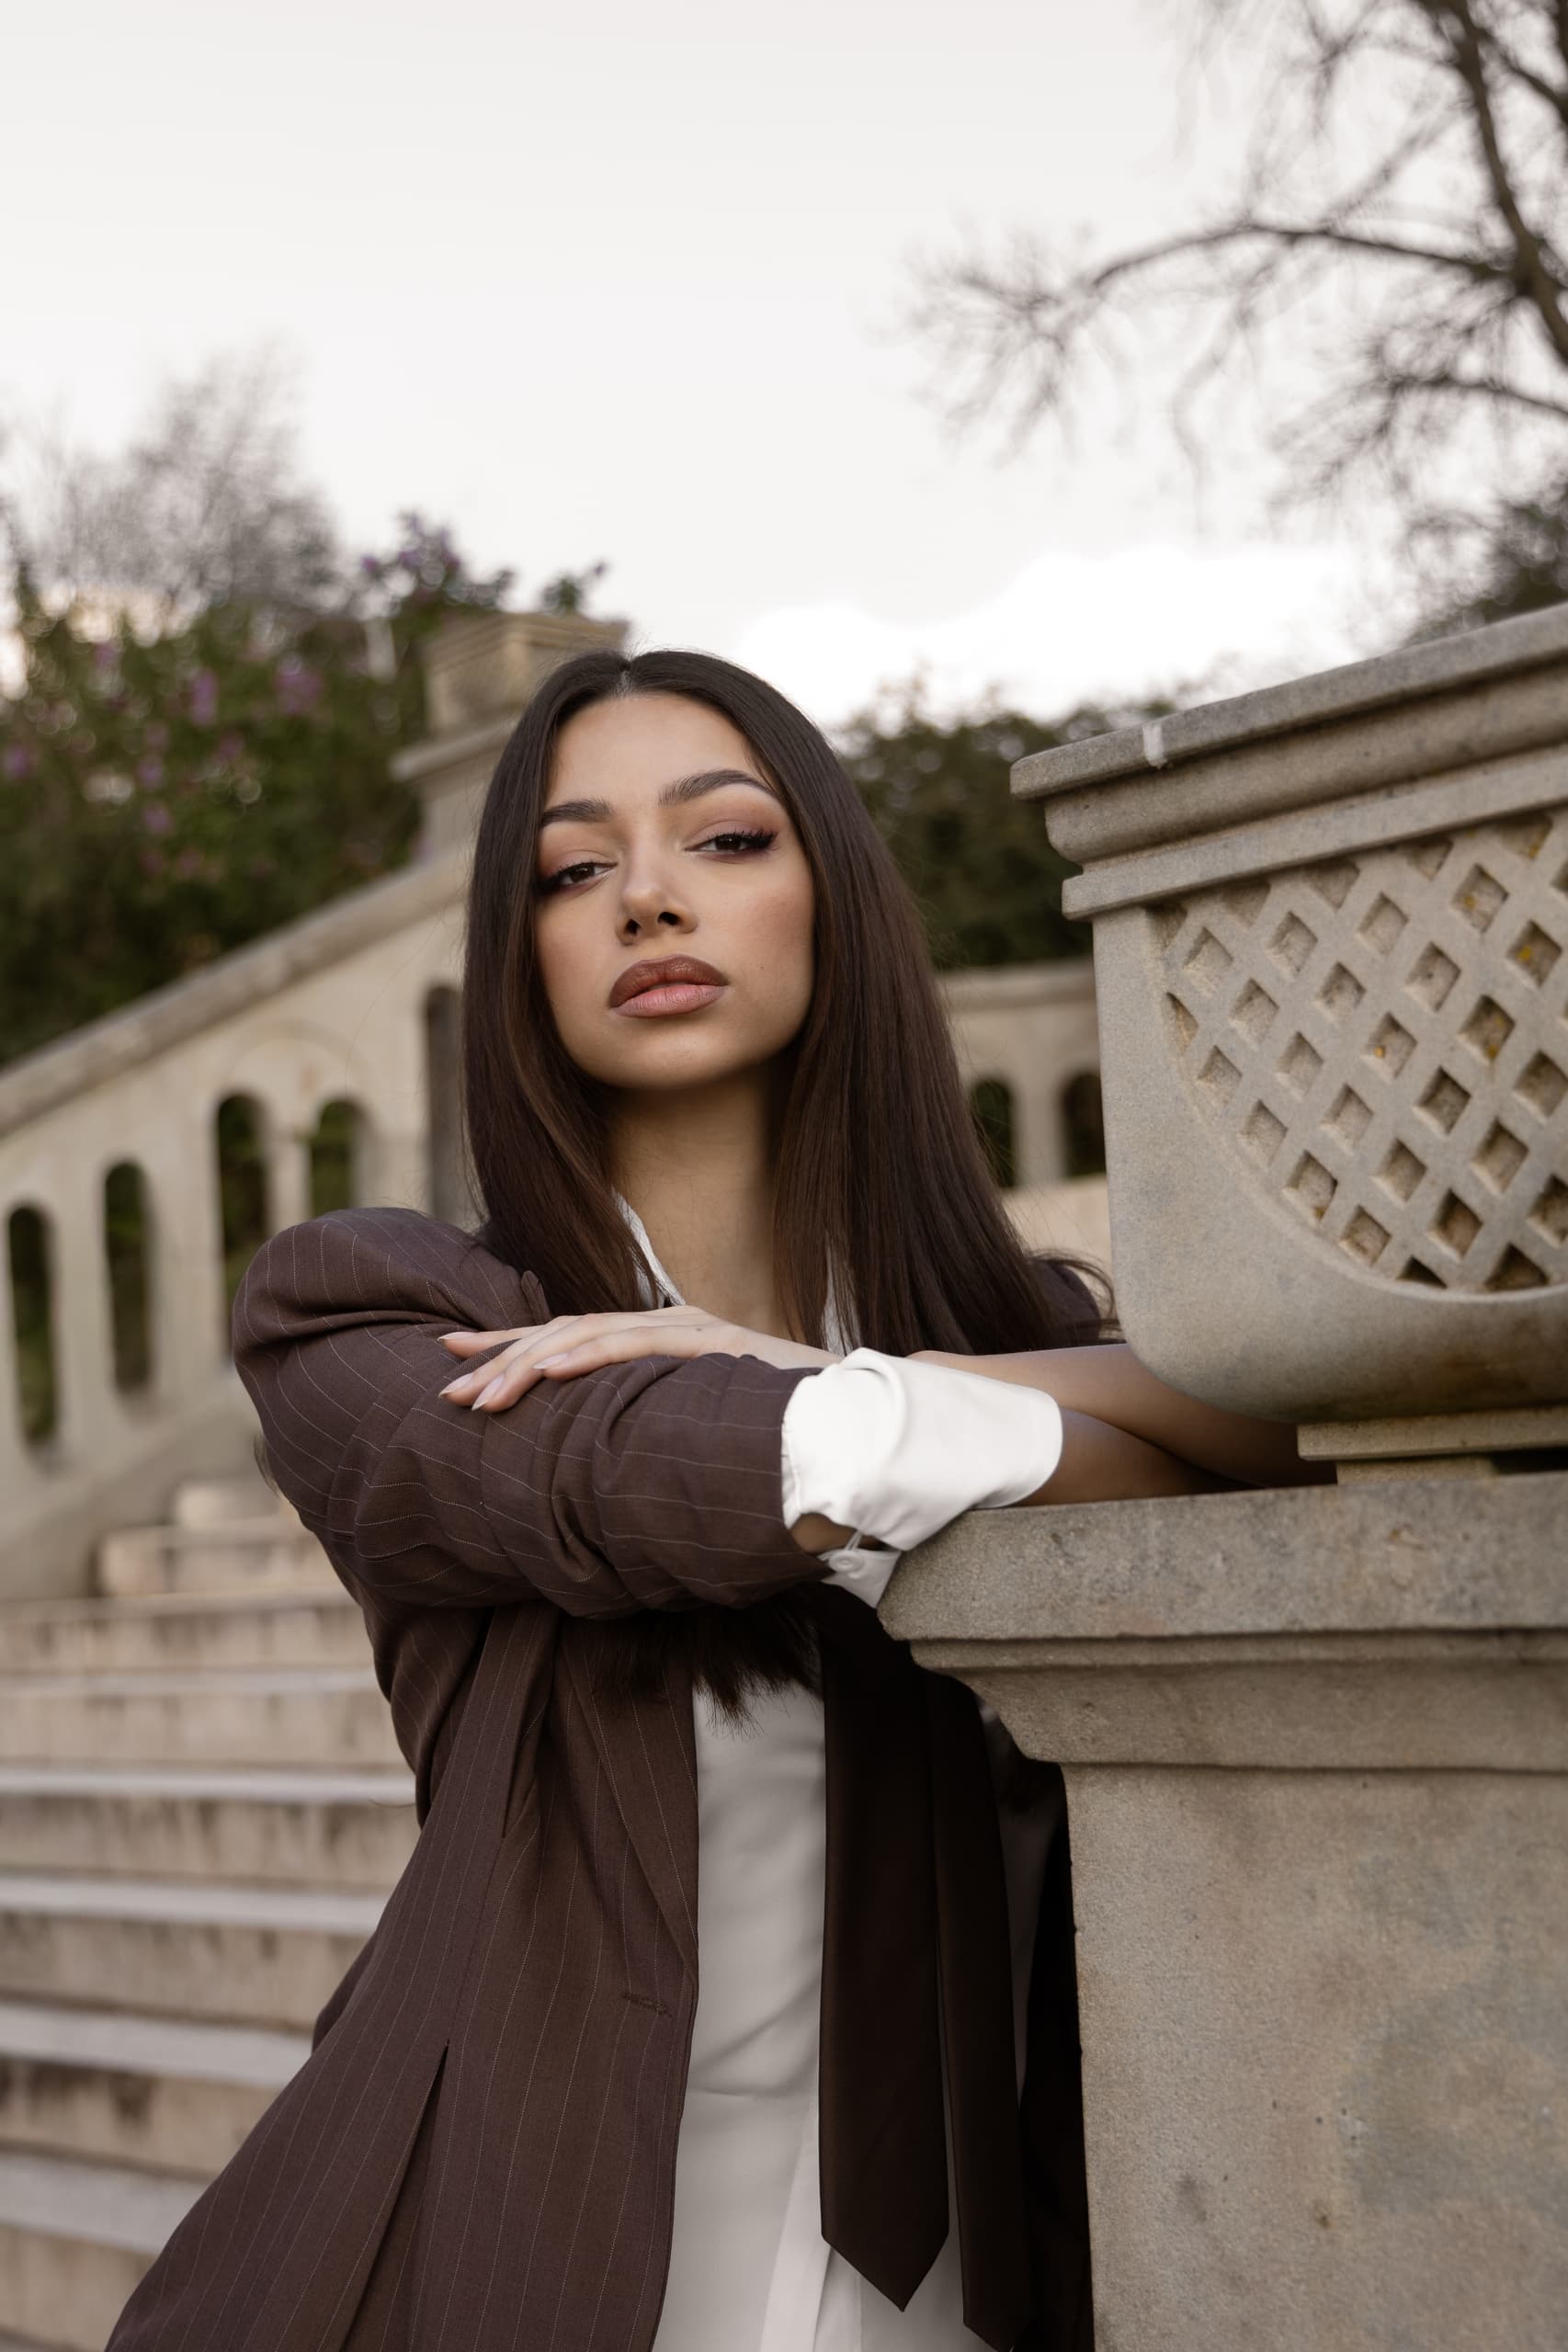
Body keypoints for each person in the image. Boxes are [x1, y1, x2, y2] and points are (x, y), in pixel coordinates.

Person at [106, 648, 1324, 2352]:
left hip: (984, 2276)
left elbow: (1334, 1447)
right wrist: (961, 1411)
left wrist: (823, 1367)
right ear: (517, 953)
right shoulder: (378, 1316)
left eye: (725, 842)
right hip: (528, 2242)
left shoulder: (1020, 1331)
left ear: (834, 897)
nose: (648, 901)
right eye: (573, 868)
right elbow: (693, 1478)